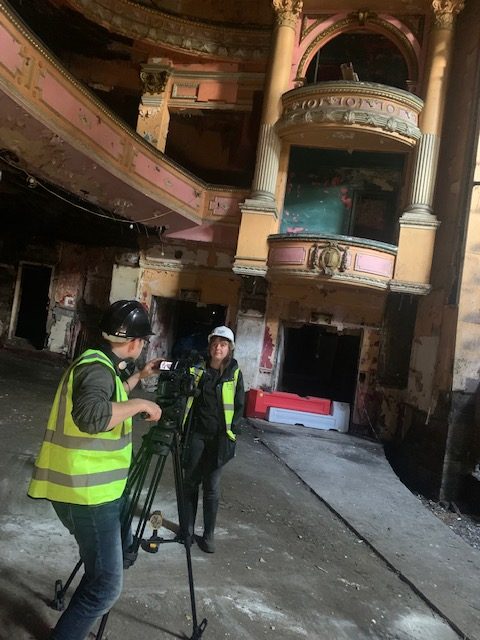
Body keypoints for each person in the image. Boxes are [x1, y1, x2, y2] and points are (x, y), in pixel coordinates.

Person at [28, 299, 163, 640]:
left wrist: (139, 378)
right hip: (87, 495)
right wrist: (142, 404)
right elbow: (92, 416)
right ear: (134, 342)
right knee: (105, 586)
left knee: (100, 569)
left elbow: (109, 394)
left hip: (92, 490)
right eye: (143, 341)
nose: (143, 346)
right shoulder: (96, 369)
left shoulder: (102, 363)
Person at [181, 325, 245, 553]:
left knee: (212, 487)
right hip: (197, 434)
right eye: (216, 343)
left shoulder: (234, 373)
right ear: (210, 346)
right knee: (190, 482)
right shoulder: (198, 369)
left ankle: (208, 536)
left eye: (224, 344)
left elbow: (239, 406)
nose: (219, 347)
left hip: (220, 438)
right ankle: (186, 531)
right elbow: (185, 395)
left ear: (229, 349)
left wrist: (233, 433)